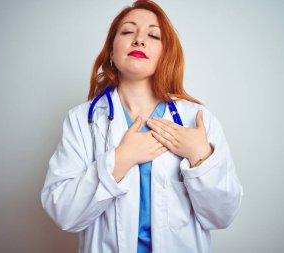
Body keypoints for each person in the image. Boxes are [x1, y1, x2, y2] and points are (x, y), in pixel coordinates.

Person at [41, 1, 243, 252]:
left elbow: (222, 216)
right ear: (111, 52)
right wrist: (121, 159)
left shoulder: (198, 119)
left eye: (153, 35)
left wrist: (199, 157)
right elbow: (64, 213)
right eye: (127, 32)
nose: (138, 40)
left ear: (165, 54)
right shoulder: (82, 120)